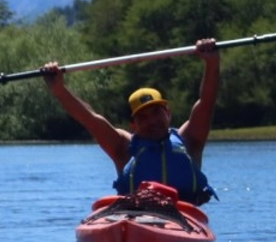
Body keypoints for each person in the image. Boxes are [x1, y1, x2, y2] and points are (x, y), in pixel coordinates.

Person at [42, 39, 220, 205]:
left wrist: (211, 62)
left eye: (156, 112)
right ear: (133, 125)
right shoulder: (123, 148)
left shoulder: (189, 141)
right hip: (136, 217)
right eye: (143, 117)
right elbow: (89, 118)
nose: (152, 120)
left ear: (168, 114)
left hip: (185, 217)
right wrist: (59, 89)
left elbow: (207, 102)